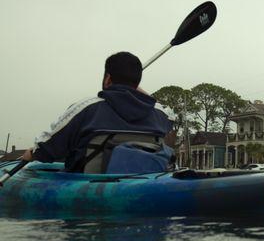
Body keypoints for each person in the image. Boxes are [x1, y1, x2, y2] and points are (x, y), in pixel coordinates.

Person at [22, 52, 175, 172]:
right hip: (143, 186)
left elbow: (47, 150)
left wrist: (32, 154)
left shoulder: (86, 108)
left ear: (108, 78)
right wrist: (133, 88)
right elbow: (172, 117)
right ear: (137, 83)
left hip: (89, 192)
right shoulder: (159, 114)